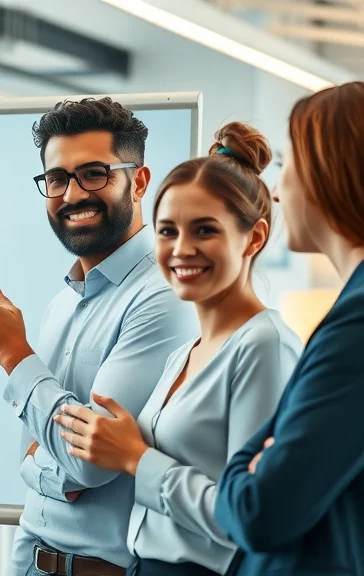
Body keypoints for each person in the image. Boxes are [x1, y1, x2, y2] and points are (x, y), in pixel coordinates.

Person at [0, 97, 199, 575]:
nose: (73, 194)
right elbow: (32, 453)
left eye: (94, 174)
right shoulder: (65, 300)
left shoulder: (165, 295)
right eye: (57, 179)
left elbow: (89, 464)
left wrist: (14, 355)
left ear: (139, 181)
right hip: (31, 561)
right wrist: (50, 463)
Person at [52, 122, 302, 575]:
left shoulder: (263, 345)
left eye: (204, 230)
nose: (182, 250)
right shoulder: (184, 353)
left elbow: (246, 518)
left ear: (255, 237)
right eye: (168, 232)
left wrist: (134, 458)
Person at [213, 81, 364, 575]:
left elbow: (261, 511)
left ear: (327, 170)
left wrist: (239, 467)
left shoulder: (355, 325)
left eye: (287, 164)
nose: (276, 191)